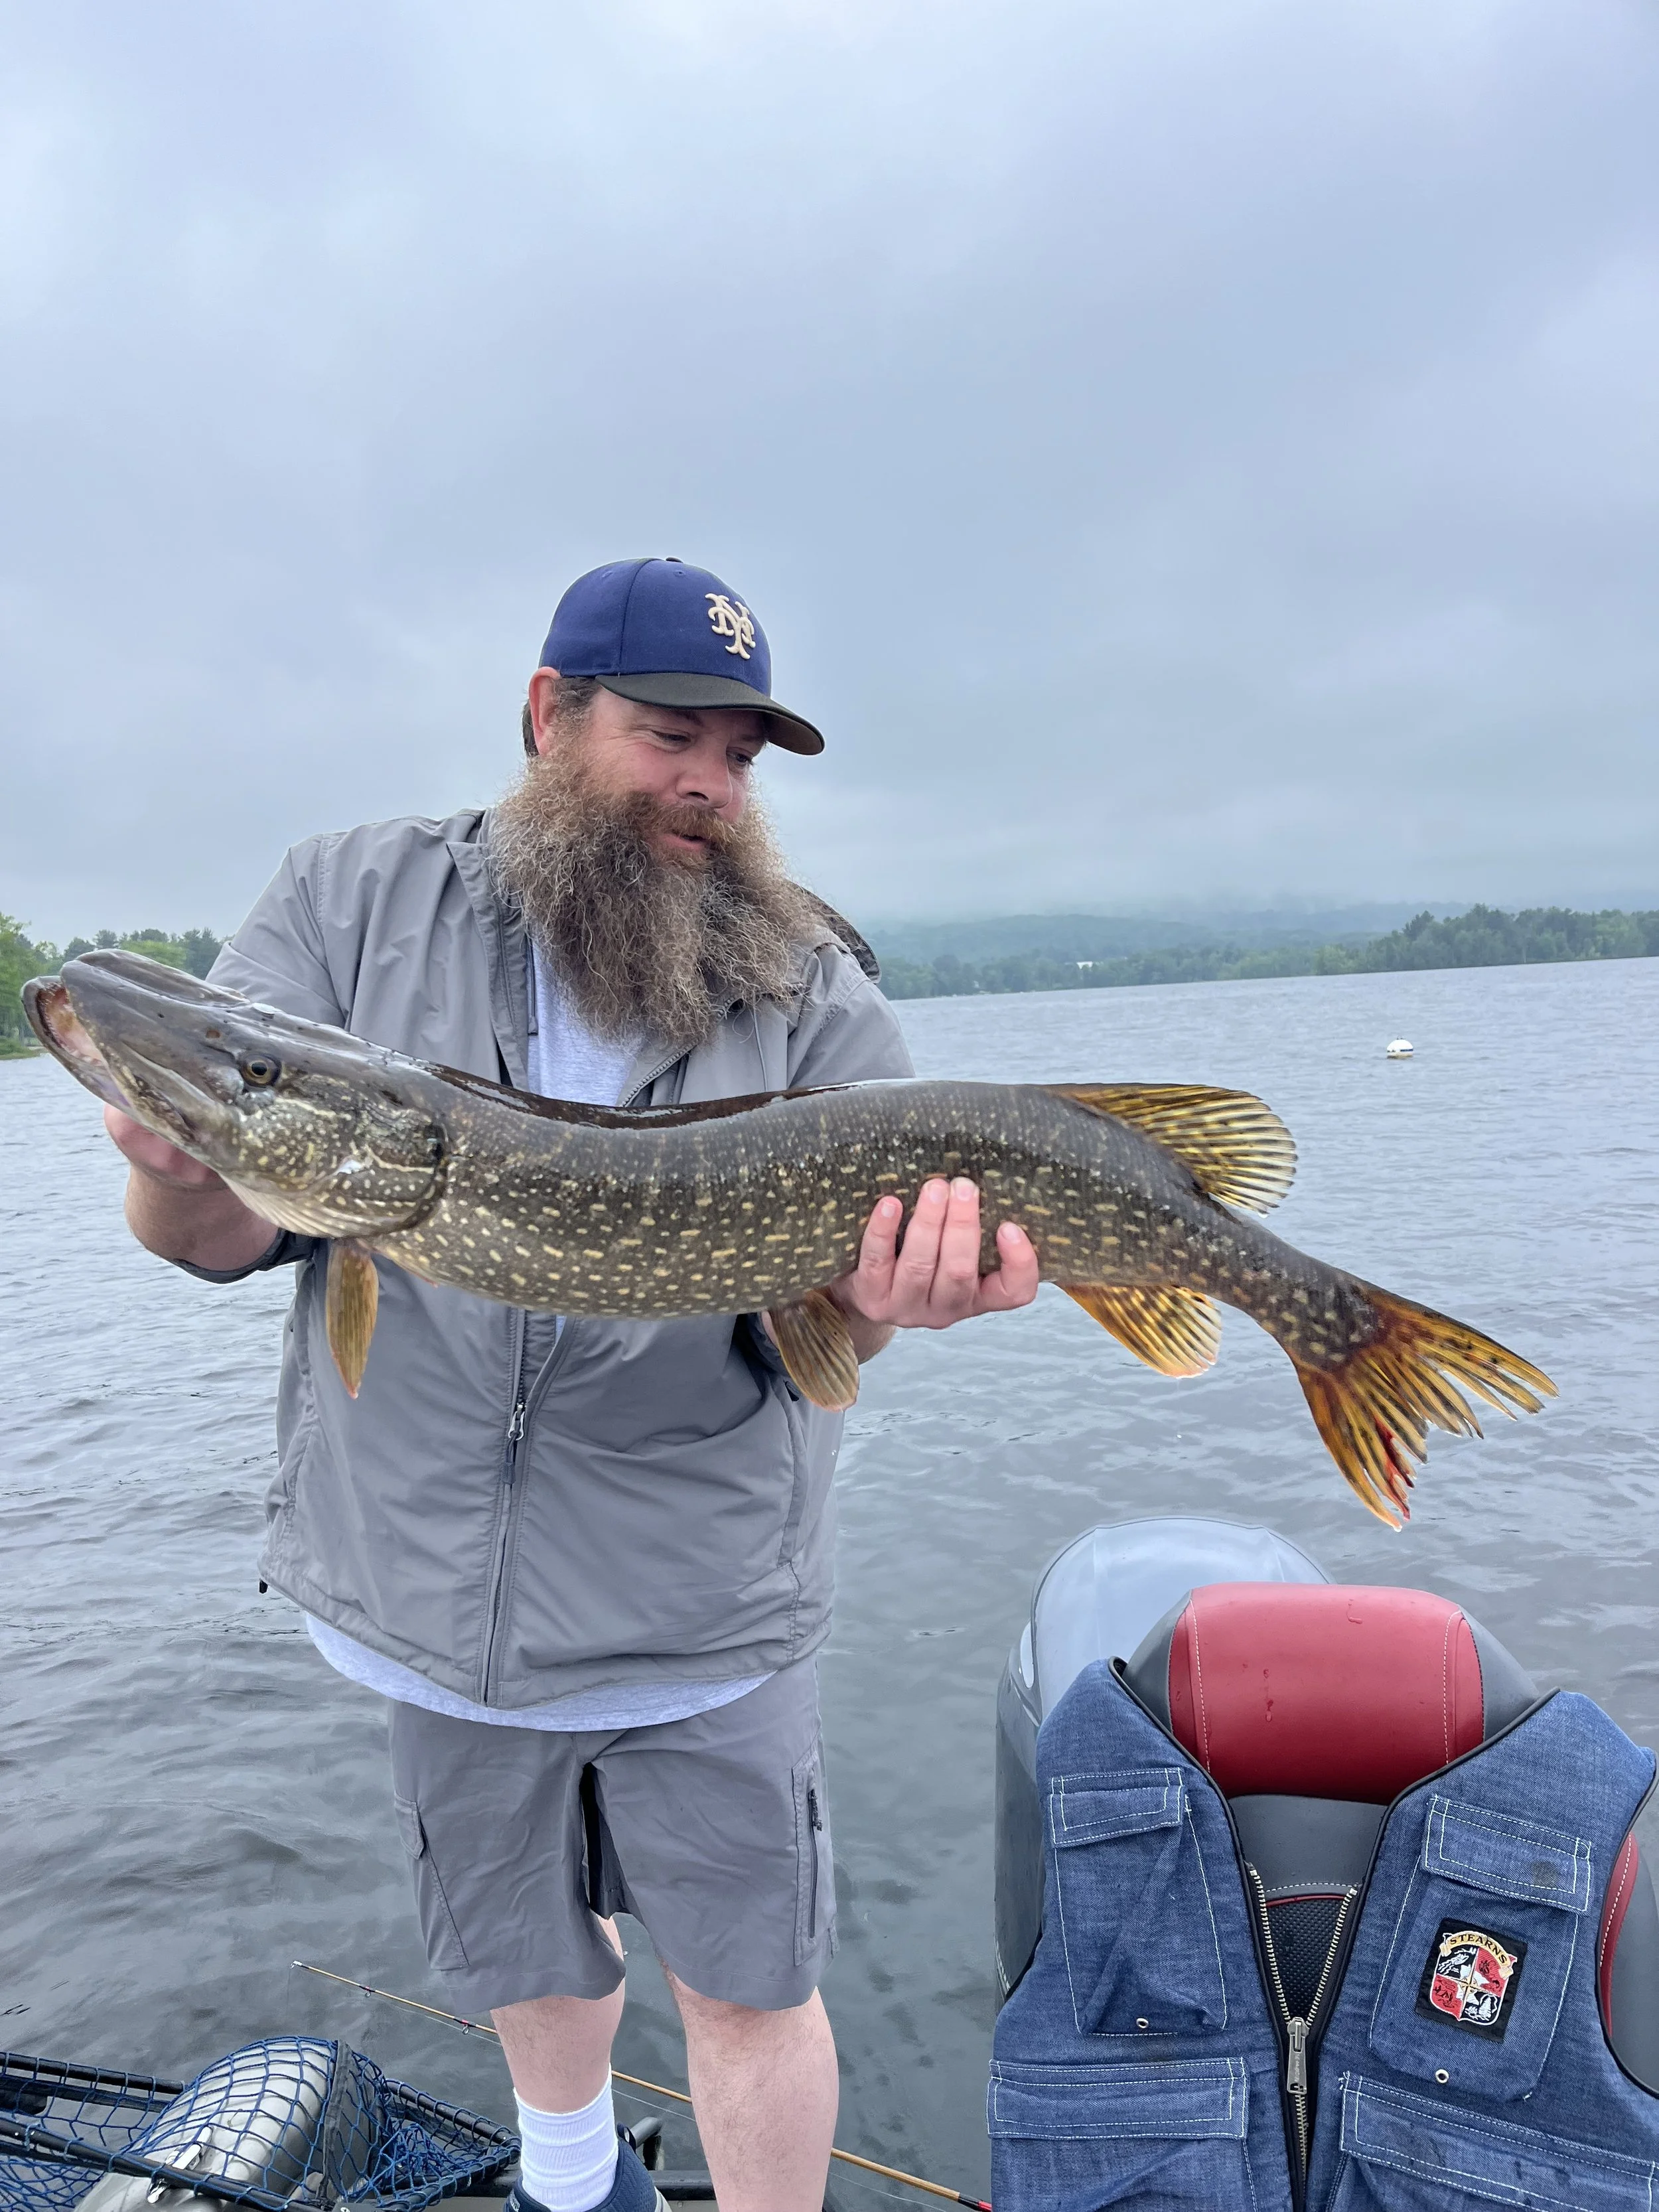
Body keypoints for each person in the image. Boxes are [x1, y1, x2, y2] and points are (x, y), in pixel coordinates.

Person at [107, 557, 1041, 2212]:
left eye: (739, 756)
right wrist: (180, 1159)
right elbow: (214, 1225)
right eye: (670, 733)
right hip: (428, 1582)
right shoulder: (346, 902)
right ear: (548, 716)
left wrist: (894, 1303)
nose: (706, 783)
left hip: (701, 1599)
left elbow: (828, 1333)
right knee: (522, 1941)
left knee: (748, 1979)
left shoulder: (812, 986)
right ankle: (571, 2183)